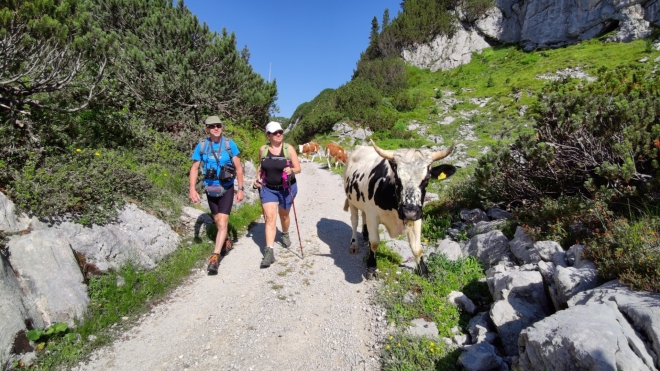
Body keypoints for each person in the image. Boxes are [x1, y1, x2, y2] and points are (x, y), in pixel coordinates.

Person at [189, 116, 244, 275]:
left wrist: (240, 189)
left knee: (223, 220)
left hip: (226, 188)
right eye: (212, 126)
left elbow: (239, 168)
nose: (216, 128)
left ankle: (215, 257)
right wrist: (192, 188)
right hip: (211, 189)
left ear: (221, 127)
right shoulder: (202, 146)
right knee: (217, 221)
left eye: (218, 125)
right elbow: (194, 168)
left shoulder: (229, 145)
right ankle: (226, 241)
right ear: (207, 129)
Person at [253, 121, 301, 268]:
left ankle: (285, 233)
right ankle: (269, 252)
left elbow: (298, 168)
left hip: (287, 188)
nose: (279, 134)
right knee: (270, 218)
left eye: (280, 131)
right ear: (268, 135)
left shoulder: (288, 148)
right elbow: (260, 167)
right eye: (275, 132)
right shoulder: (264, 149)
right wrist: (257, 179)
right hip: (269, 189)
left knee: (284, 216)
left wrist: (291, 170)